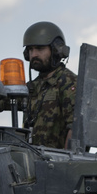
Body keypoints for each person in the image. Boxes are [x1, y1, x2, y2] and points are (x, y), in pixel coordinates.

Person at [20, 21, 77, 150]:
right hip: (30, 162)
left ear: (56, 50)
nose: (33, 54)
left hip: (55, 165)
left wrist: (66, 164)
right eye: (30, 50)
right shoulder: (33, 86)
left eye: (39, 49)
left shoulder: (69, 83)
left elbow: (75, 129)